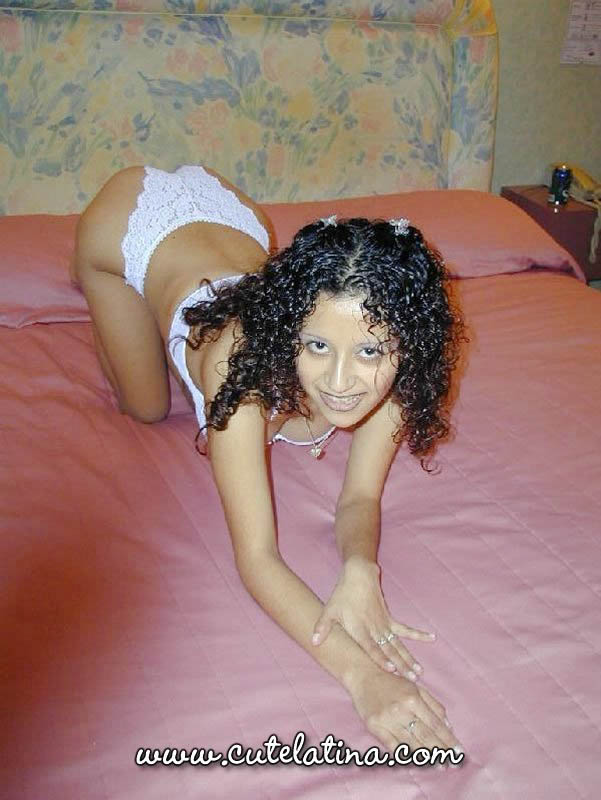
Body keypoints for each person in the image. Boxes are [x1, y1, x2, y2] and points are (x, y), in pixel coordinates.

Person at [72, 164, 465, 757]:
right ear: (290, 331)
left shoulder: (398, 373)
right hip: (126, 223)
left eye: (368, 351)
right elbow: (257, 559)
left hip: (234, 218)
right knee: (148, 408)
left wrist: (361, 568)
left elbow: (359, 497)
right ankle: (110, 286)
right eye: (317, 345)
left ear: (406, 346)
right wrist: (363, 678)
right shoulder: (242, 373)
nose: (341, 382)